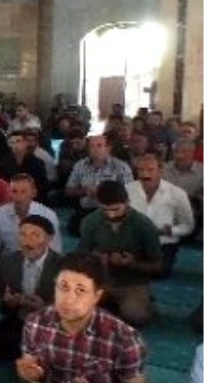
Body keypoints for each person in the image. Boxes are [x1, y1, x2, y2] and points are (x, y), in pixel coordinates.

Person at [17, 252, 147, 383]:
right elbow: (30, 366)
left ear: (96, 296)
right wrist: (27, 374)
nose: (68, 299)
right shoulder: (36, 322)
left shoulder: (124, 339)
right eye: (63, 287)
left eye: (80, 290)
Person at [77, 180, 162, 328]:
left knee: (136, 317)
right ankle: (111, 305)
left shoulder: (144, 225)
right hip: (100, 280)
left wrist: (132, 264)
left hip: (132, 282)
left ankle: (139, 302)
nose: (111, 214)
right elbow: (80, 258)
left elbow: (158, 265)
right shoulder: (89, 222)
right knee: (76, 311)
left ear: (127, 202)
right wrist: (96, 260)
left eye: (116, 209)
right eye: (105, 210)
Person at [0, 214, 62, 363]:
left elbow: (70, 310)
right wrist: (8, 303)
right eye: (23, 235)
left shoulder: (62, 266)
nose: (28, 241)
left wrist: (44, 308)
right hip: (19, 319)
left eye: (35, 235)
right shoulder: (8, 261)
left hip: (51, 327)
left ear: (49, 239)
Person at [125, 151, 194, 278]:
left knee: (160, 272)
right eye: (141, 170)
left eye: (150, 170)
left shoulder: (177, 193)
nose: (145, 174)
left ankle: (137, 266)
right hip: (133, 242)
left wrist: (171, 230)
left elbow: (188, 225)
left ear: (161, 170)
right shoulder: (127, 190)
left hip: (163, 242)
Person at [0, 174, 62, 271]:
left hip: (40, 267)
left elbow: (55, 251)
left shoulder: (48, 215)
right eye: (14, 191)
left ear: (34, 193)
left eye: (24, 192)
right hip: (8, 267)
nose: (18, 197)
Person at [65, 134, 133, 236]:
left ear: (108, 148)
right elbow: (68, 191)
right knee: (73, 228)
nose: (95, 149)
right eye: (92, 146)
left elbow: (130, 191)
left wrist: (105, 193)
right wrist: (85, 191)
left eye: (99, 145)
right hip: (88, 209)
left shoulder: (121, 166)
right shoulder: (80, 165)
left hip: (113, 209)